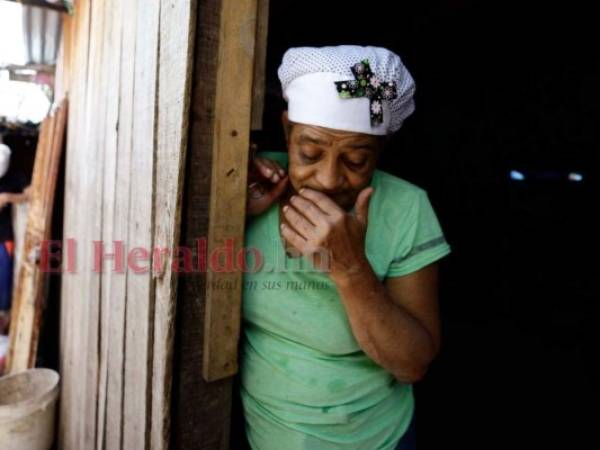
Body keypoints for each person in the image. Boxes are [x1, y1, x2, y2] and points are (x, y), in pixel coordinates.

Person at [242, 45, 451, 450]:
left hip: (378, 439)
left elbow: (413, 363)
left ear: (380, 152)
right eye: (309, 153)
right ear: (286, 130)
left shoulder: (407, 208)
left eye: (355, 160)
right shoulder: (253, 182)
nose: (328, 178)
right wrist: (232, 215)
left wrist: (351, 269)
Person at [0, 136, 31, 334]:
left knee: (3, 287)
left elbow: (32, 193)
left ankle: (3, 326)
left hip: (3, 238)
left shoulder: (13, 174)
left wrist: (9, 197)